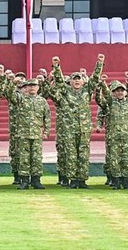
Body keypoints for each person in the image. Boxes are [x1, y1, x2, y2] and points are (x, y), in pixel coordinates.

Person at [49, 54, 104, 189]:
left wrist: (99, 63)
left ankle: (82, 180)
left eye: (79, 79)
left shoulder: (87, 90)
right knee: (71, 154)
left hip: (84, 128)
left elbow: (95, 78)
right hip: (69, 129)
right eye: (74, 79)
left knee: (83, 154)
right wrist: (56, 66)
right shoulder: (65, 91)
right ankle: (72, 179)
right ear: (71, 82)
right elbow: (59, 81)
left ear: (83, 82)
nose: (77, 81)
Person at [3, 77, 51, 190]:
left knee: (36, 158)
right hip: (23, 134)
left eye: (34, 85)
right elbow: (10, 94)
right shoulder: (20, 99)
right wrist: (11, 83)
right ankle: (24, 181)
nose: (32, 87)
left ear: (38, 87)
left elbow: (47, 116)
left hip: (36, 134)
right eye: (30, 86)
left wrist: (47, 131)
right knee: (24, 158)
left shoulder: (42, 101)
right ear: (26, 87)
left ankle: (36, 180)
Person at [96, 77, 128, 189]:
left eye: (122, 91)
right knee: (114, 159)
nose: (120, 93)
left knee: (127, 159)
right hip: (113, 136)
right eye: (117, 91)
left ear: (125, 92)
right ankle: (116, 181)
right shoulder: (110, 103)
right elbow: (103, 98)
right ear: (113, 92)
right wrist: (102, 84)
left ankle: (126, 182)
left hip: (126, 136)